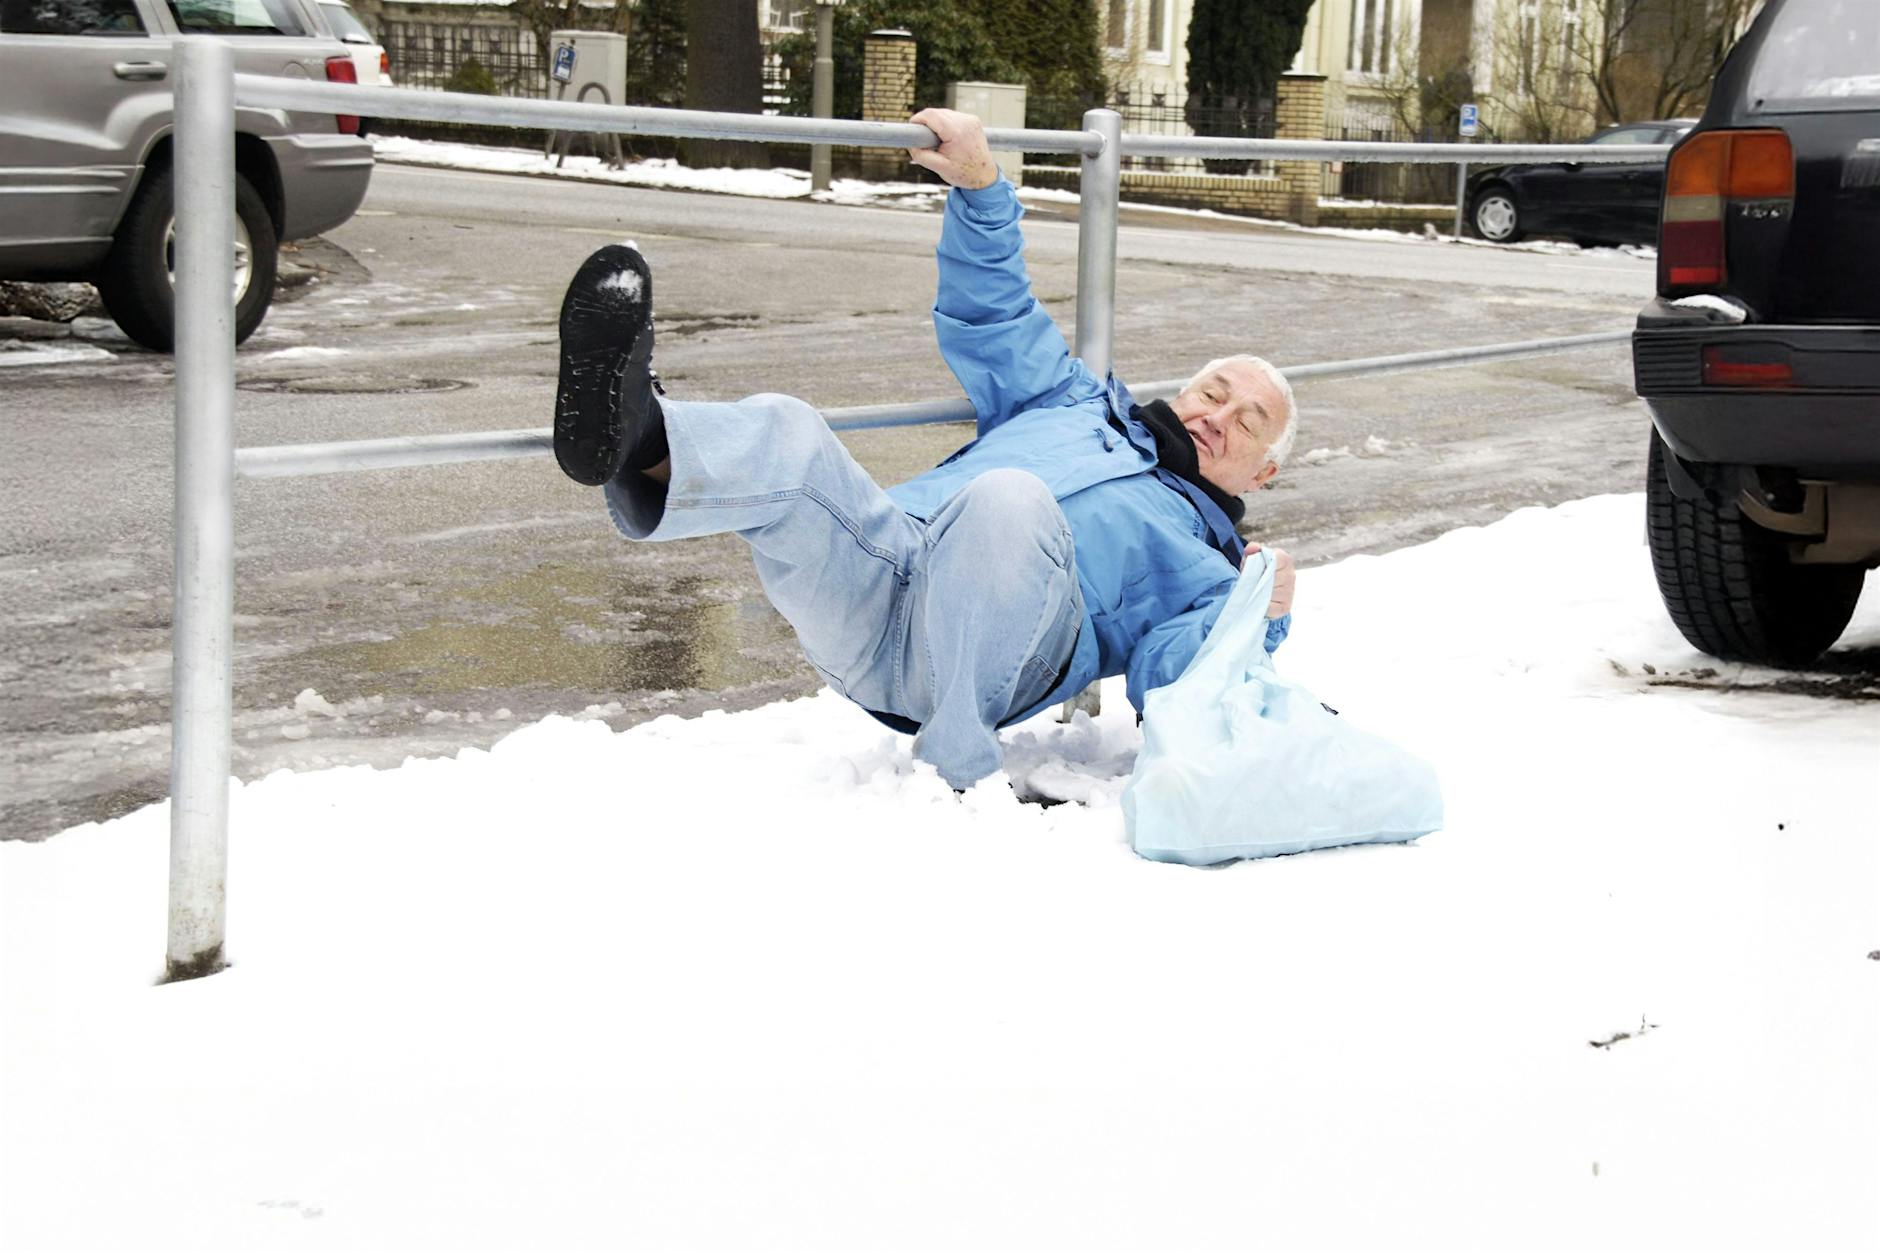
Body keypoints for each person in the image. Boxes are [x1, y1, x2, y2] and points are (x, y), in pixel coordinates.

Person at [551, 108, 1297, 791]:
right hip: (880, 573)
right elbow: (994, 311)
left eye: (1249, 417)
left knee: (1010, 498)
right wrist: (981, 189)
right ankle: (633, 434)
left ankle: (956, 768)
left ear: (1262, 471)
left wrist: (1256, 615)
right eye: (1213, 389)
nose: (1218, 413)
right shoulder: (1076, 399)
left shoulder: (1214, 570)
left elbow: (1180, 687)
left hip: (993, 656)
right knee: (790, 430)